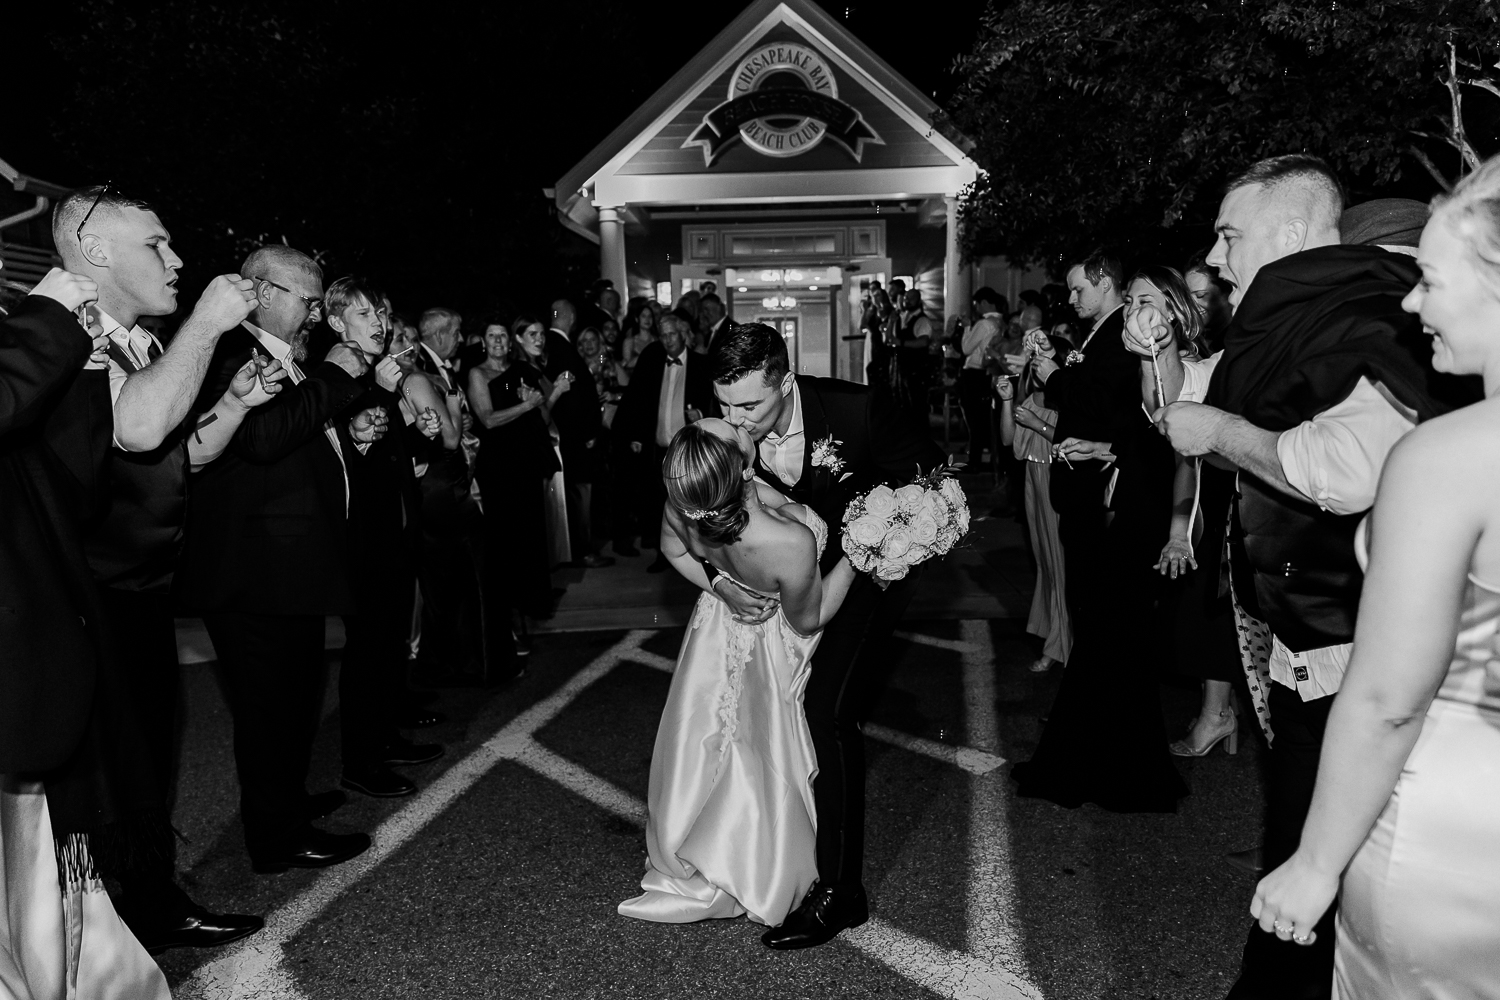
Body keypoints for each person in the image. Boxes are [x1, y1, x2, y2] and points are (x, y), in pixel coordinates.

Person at [1146, 155, 1472, 1000]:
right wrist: (1169, 370)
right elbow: (1182, 410)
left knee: (1325, 878)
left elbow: (1339, 472)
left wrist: (1219, 428)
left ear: (1290, 236)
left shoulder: (1361, 323)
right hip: (1310, 635)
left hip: (1363, 653)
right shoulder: (1293, 325)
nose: (1216, 259)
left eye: (1230, 235)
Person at [1253, 155, 1500, 1000]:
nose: (1408, 301)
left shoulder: (1449, 459)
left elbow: (1388, 698)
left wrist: (1316, 863)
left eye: (1429, 277)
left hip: (1459, 820)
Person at [53, 185, 273, 952]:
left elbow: (178, 452)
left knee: (150, 745)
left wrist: (235, 407)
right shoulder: (70, 341)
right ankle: (133, 908)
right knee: (113, 765)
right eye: (157, 243)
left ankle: (147, 897)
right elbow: (139, 427)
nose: (176, 260)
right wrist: (208, 326)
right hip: (89, 595)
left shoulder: (140, 343)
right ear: (97, 250)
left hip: (144, 590)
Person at [709, 323, 944, 949]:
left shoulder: (858, 410)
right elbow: (693, 511)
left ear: (785, 382)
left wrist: (883, 543)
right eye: (724, 405)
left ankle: (842, 893)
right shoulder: (727, 428)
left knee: (827, 711)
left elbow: (929, 484)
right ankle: (772, 856)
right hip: (788, 581)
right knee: (767, 716)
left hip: (869, 571)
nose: (735, 421)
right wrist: (715, 578)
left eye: (749, 406)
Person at [177, 244, 375, 874]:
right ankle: (276, 837)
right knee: (271, 709)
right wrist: (338, 376)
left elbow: (293, 436)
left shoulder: (284, 357)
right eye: (307, 299)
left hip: (283, 568)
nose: (316, 313)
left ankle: (285, 803)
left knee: (292, 700)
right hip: (253, 572)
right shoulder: (231, 347)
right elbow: (262, 439)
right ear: (262, 291)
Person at [1, 268, 171, 998]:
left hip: (28, 628)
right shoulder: (28, 325)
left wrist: (79, 382)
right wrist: (44, 317)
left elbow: (67, 488)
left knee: (31, 846)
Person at [619, 419, 857, 926]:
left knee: (704, 741)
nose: (734, 420)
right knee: (753, 753)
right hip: (770, 644)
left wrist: (718, 585)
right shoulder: (786, 540)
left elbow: (673, 549)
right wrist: (860, 555)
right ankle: (754, 864)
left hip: (715, 633)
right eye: (727, 425)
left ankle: (698, 846)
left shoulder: (685, 497)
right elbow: (807, 618)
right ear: (743, 465)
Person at [1008, 266, 1194, 813]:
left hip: (1142, 506)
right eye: (1132, 298)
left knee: (1115, 635)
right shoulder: (1135, 352)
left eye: (1142, 298)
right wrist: (1106, 447)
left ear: (1171, 307)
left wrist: (1110, 447)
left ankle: (1109, 767)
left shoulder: (1173, 360)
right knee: (1112, 638)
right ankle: (1102, 760)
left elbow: (1168, 437)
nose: (1131, 310)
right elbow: (1131, 424)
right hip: (1128, 492)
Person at [323, 277, 446, 798]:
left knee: (387, 647)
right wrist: (369, 422)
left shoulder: (375, 380)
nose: (379, 324)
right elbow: (343, 462)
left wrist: (419, 431)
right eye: (364, 315)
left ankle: (385, 739)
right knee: (367, 655)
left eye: (380, 314)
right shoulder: (339, 379)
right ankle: (362, 761)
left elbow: (392, 459)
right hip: (364, 545)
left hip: (393, 538)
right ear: (335, 324)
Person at [1025, 250, 1137, 629]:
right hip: (1080, 479)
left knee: (1094, 596)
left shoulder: (1122, 330)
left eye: (1078, 290)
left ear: (1105, 282)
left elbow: (1101, 401)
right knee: (1084, 593)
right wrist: (1053, 354)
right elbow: (1090, 376)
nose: (1071, 299)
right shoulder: (1101, 329)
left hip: (1096, 480)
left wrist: (1054, 377)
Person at [467, 317, 564, 626]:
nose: (498, 341)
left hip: (526, 462)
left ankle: (535, 599)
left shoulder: (516, 374)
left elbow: (545, 412)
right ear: (484, 342)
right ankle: (508, 603)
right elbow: (488, 419)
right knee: (504, 533)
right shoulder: (477, 374)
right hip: (498, 466)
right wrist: (524, 406)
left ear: (511, 342)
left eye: (502, 336)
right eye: (492, 336)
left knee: (532, 531)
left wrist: (533, 402)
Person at [615, 313, 716, 572]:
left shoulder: (702, 365)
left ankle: (698, 557)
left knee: (692, 504)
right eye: (663, 335)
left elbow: (715, 404)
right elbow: (638, 400)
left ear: (683, 334)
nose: (667, 339)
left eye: (672, 334)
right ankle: (667, 557)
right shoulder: (651, 361)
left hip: (687, 451)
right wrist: (637, 434)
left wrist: (701, 415)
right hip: (659, 448)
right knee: (661, 505)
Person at [994, 334, 1070, 672]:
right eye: (1034, 358)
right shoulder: (1033, 399)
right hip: (1034, 483)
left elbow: (1073, 440)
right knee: (1045, 562)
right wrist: (1008, 402)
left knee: (1060, 564)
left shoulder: (1065, 402)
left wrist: (1037, 424)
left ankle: (1059, 646)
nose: (1036, 364)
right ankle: (1054, 635)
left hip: (1057, 485)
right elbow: (1010, 440)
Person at [546, 298, 613, 568]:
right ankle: (583, 551)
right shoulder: (562, 348)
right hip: (576, 440)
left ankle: (578, 547)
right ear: (571, 317)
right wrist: (586, 433)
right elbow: (571, 402)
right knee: (580, 496)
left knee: (580, 496)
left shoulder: (557, 346)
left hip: (573, 437)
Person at [958, 287, 1003, 468]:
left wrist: (967, 327)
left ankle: (975, 460)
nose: (976, 308)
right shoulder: (1000, 321)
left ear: (983, 303)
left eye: (976, 304)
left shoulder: (984, 324)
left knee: (974, 418)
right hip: (988, 373)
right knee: (983, 417)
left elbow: (966, 349)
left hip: (975, 374)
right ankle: (984, 457)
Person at [620, 296, 658, 372]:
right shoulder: (630, 341)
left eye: (650, 316)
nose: (647, 319)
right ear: (637, 319)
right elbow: (626, 364)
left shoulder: (657, 340)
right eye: (643, 316)